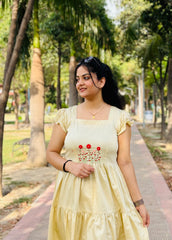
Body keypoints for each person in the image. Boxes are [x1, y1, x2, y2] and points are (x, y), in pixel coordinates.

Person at [47, 56, 150, 240]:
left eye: (86, 78)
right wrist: (70, 165)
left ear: (101, 81)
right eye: (77, 79)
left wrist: (138, 202)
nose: (80, 83)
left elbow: (125, 162)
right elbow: (51, 153)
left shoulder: (119, 118)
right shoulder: (66, 116)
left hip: (108, 195)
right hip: (72, 195)